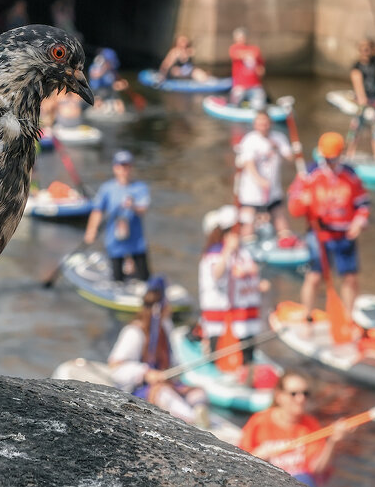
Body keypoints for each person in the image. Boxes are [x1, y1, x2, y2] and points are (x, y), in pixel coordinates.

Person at [288, 132, 369, 324]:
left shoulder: (350, 174)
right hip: (319, 233)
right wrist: (302, 203)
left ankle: (349, 316)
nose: (330, 163)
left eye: (333, 159)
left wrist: (359, 222)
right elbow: (294, 208)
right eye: (326, 158)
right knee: (315, 276)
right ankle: (307, 312)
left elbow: (363, 203)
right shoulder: (309, 173)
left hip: (345, 234)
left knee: (350, 278)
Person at [108, 277, 209, 426]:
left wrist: (175, 370)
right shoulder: (134, 332)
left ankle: (198, 417)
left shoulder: (165, 326)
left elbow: (172, 360)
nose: (170, 308)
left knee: (199, 393)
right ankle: (192, 422)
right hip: (139, 389)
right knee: (164, 394)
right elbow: (115, 368)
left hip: (166, 382)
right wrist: (145, 373)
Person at [198, 206, 270, 385]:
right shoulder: (215, 254)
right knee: (222, 359)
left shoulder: (244, 252)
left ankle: (248, 378)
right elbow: (217, 276)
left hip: (247, 318)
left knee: (247, 356)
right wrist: (227, 251)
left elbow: (249, 275)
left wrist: (259, 285)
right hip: (222, 321)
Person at [240, 370, 345, 486]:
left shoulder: (310, 424)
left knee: (304, 479)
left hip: (299, 481)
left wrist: (332, 442)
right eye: (293, 394)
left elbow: (316, 469)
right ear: (279, 396)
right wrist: (258, 456)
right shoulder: (260, 422)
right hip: (266, 480)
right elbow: (240, 461)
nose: (301, 399)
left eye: (305, 393)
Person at [84, 150, 151, 282]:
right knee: (117, 278)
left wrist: (132, 205)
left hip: (136, 240)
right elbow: (97, 211)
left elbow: (143, 209)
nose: (123, 170)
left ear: (131, 167)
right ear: (115, 168)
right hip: (114, 240)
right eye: (120, 166)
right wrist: (91, 230)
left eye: (127, 166)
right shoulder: (107, 189)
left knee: (144, 277)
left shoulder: (140, 188)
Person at [234, 110, 300, 242]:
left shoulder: (279, 138)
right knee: (248, 222)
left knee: (280, 218)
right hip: (252, 193)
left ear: (270, 123)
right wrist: (259, 180)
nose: (263, 126)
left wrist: (295, 152)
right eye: (260, 123)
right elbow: (248, 164)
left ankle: (286, 243)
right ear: (255, 125)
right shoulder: (250, 140)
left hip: (273, 191)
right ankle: (248, 245)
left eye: (265, 123)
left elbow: (290, 159)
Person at [345, 38, 375, 162]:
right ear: (359, 50)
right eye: (363, 48)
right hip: (362, 101)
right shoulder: (356, 66)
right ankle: (349, 154)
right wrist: (363, 100)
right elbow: (357, 84)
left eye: (368, 47)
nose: (365, 50)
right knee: (356, 128)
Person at [228, 28, 265, 108]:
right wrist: (250, 54)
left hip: (255, 85)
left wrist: (260, 71)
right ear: (235, 38)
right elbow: (235, 55)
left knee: (259, 106)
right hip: (240, 85)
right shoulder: (234, 48)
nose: (241, 39)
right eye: (239, 37)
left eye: (243, 36)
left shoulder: (254, 49)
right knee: (234, 105)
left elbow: (260, 66)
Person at [88, 47, 127, 114]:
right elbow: (94, 75)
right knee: (97, 101)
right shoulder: (96, 67)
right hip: (97, 91)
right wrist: (104, 69)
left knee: (119, 103)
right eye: (110, 62)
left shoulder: (112, 70)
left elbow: (113, 84)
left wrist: (122, 85)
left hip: (109, 91)